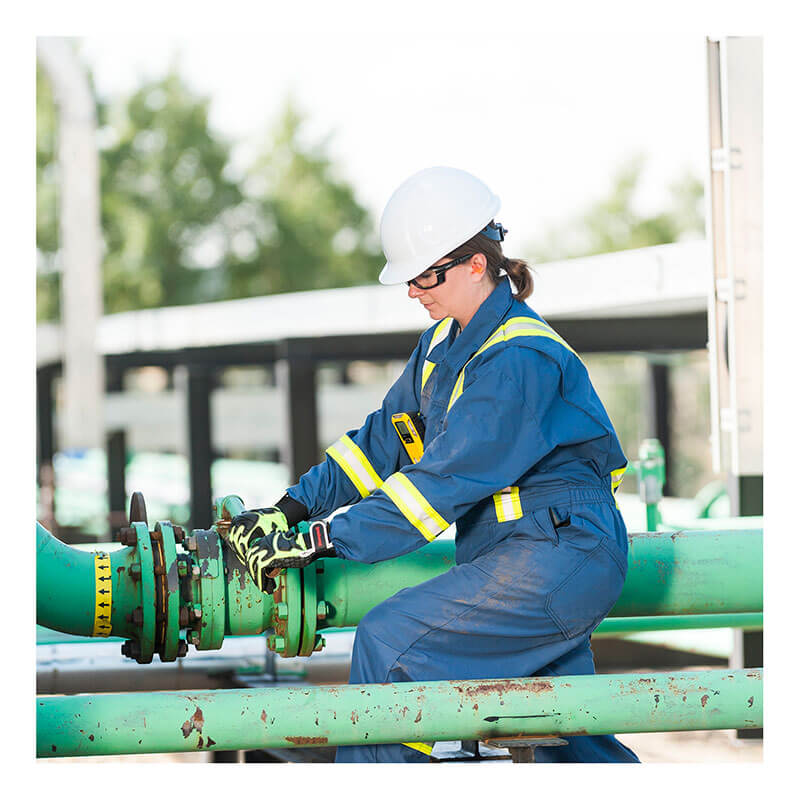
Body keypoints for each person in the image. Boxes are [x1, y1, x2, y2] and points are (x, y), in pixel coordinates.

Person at [223, 166, 639, 763]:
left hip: (560, 551)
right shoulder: (443, 348)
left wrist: (322, 539)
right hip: (523, 552)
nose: (414, 290)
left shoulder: (519, 357)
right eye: (409, 279)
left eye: (425, 275)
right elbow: (378, 444)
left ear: (477, 263)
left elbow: (442, 482)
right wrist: (290, 508)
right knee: (565, 729)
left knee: (393, 644)